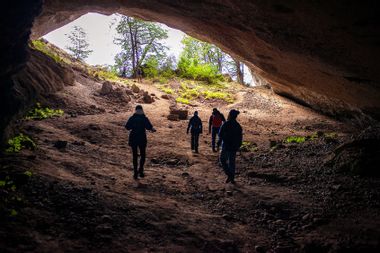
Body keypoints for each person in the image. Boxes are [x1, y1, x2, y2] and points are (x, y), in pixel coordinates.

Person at [125, 105, 156, 179]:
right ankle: (141, 170)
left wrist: (133, 126)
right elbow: (149, 127)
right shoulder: (144, 118)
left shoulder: (132, 118)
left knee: (134, 156)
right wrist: (153, 129)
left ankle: (135, 173)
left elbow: (127, 127)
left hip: (133, 138)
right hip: (142, 138)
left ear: (135, 110)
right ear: (142, 110)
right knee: (143, 155)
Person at [218, 109, 242, 184]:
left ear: (230, 115)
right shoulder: (238, 126)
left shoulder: (226, 124)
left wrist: (219, 141)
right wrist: (238, 146)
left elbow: (220, 134)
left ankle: (229, 174)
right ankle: (232, 178)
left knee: (222, 160)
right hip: (234, 147)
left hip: (226, 145)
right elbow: (240, 138)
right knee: (232, 162)